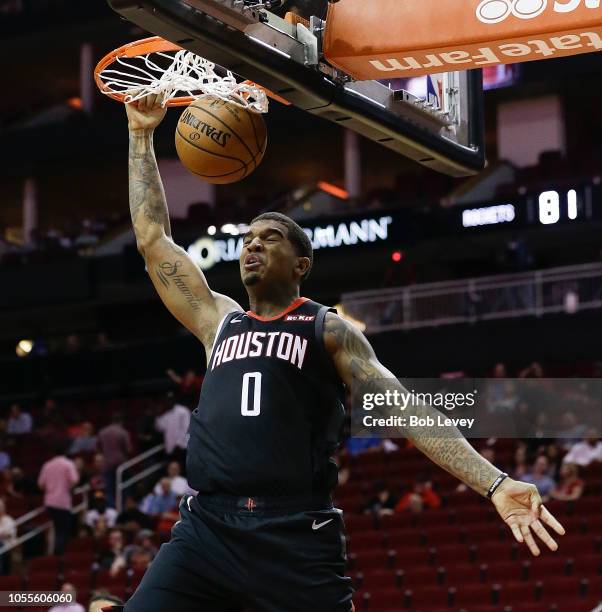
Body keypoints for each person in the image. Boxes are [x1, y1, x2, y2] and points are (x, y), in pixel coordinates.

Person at [122, 95, 565, 612]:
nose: (253, 246)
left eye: (270, 238)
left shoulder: (326, 329)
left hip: (293, 534)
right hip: (207, 529)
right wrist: (140, 134)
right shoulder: (217, 319)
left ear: (301, 264)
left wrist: (493, 483)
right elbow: (153, 240)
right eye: (248, 240)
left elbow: (405, 408)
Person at [38, 441, 79, 555]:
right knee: (62, 531)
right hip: (63, 502)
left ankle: (55, 555)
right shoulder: (68, 464)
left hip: (49, 503)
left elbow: (40, 484)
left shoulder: (47, 465)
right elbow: (75, 480)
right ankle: (59, 558)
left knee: (55, 529)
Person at [98, 414, 132, 508]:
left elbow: (98, 448)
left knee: (109, 489)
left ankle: (111, 508)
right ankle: (121, 506)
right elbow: (128, 449)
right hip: (120, 464)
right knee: (123, 487)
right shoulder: (122, 432)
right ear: (121, 421)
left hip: (107, 463)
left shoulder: (102, 432)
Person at [154, 393, 190, 470]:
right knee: (173, 472)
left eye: (171, 399)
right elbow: (159, 427)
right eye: (167, 400)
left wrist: (179, 443)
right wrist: (157, 413)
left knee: (183, 471)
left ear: (174, 400)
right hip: (171, 450)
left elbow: (187, 428)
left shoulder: (183, 411)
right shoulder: (167, 415)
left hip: (181, 448)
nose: (169, 401)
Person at [0, 498, 16, 574]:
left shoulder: (8, 519)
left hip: (6, 546)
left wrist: (3, 535)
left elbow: (10, 534)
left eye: (1, 507)